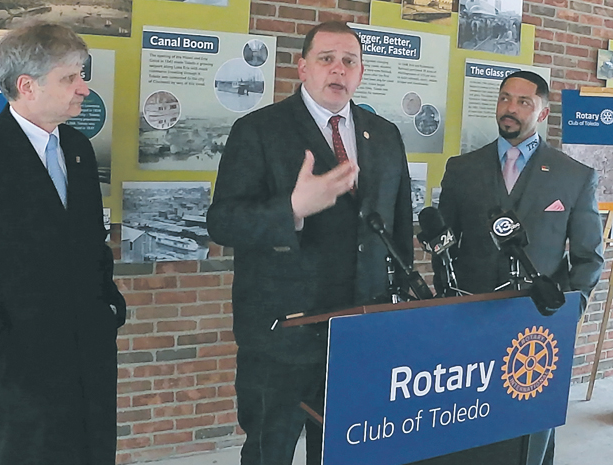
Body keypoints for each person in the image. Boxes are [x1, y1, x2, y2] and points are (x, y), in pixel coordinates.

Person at [207, 21, 413, 465]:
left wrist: (394, 316)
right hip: (282, 333)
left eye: (349, 61)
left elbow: (398, 232)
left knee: (345, 449)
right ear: (302, 68)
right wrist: (292, 209)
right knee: (270, 449)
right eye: (326, 59)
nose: (338, 70)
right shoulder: (259, 130)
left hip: (360, 329)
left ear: (360, 72)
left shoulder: (386, 135)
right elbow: (222, 222)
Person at [0, 22, 126, 465]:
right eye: (70, 77)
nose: (84, 89)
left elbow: (91, 244)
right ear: (26, 86)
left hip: (88, 360)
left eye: (81, 74)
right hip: (18, 369)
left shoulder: (77, 147)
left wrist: (109, 306)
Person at [435, 71, 604, 465]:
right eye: (505, 98)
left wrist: (564, 314)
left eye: (523, 102)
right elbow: (443, 246)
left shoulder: (574, 176)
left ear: (543, 113)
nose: (510, 109)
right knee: (469, 427)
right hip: (470, 323)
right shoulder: (461, 169)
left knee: (529, 433)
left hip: (537, 332)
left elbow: (588, 258)